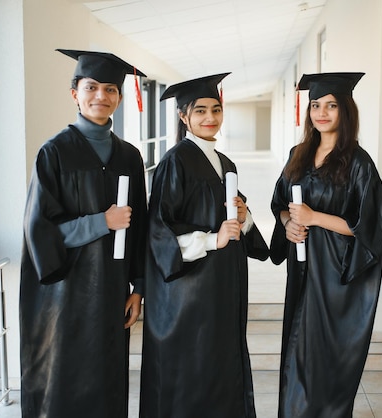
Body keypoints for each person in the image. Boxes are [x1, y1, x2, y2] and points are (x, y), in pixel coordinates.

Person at [20, 49, 147, 417]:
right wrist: (100, 222)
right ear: (74, 92)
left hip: (111, 290)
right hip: (65, 295)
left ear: (120, 98)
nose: (101, 97)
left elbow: (139, 229)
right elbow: (39, 232)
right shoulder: (54, 153)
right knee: (65, 381)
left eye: (110, 90)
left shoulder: (129, 156)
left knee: (108, 379)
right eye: (91, 87)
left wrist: (138, 287)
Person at [139, 73, 270, 418]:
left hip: (223, 283)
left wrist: (244, 216)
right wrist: (214, 239)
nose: (210, 118)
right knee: (196, 365)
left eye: (215, 109)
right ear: (184, 117)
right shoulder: (175, 161)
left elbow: (233, 223)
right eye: (200, 111)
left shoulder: (225, 163)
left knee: (221, 359)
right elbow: (159, 230)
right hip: (192, 289)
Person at [270, 72, 382, 417]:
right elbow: (280, 204)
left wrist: (314, 217)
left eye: (331, 106)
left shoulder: (359, 163)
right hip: (303, 269)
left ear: (345, 111)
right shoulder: (298, 154)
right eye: (316, 105)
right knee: (297, 352)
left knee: (327, 359)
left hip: (337, 276)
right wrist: (289, 224)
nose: (321, 113)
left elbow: (368, 227)